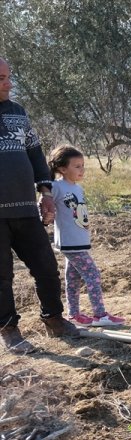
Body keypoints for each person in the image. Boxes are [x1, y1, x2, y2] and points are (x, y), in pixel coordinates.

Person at [0, 57, 79, 354]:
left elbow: (35, 155)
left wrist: (46, 192)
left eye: (8, 76)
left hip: (24, 209)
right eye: (1, 78)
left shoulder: (18, 113)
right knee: (1, 276)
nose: (9, 83)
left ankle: (55, 321)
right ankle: (9, 331)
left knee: (46, 266)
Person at [47, 145, 125, 327]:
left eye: (82, 165)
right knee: (93, 274)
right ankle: (100, 315)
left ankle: (74, 315)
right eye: (77, 166)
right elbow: (44, 206)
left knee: (73, 279)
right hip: (69, 242)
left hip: (79, 241)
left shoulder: (78, 188)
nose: (82, 170)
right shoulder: (56, 187)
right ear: (62, 168)